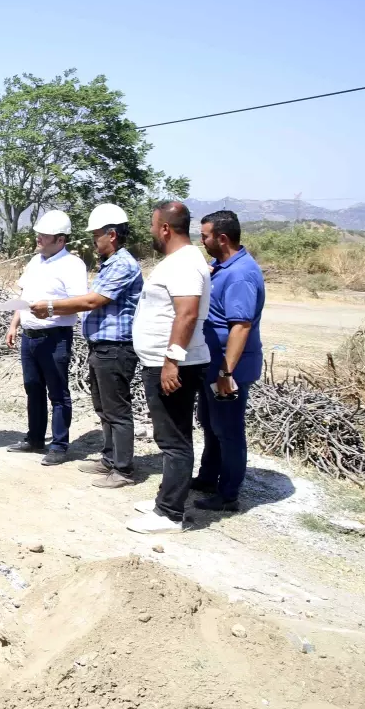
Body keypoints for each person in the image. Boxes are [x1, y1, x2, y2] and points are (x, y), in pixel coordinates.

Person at [24, 204, 143, 486]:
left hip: (117, 347)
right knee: (104, 407)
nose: (93, 239)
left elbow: (92, 301)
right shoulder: (110, 263)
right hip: (101, 346)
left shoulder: (123, 264)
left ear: (111, 235)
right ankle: (109, 459)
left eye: (97, 234)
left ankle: (123, 469)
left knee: (117, 410)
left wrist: (51, 307)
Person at [128, 201, 211, 534]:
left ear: (164, 228)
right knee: (173, 436)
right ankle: (168, 497)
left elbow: (187, 314)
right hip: (164, 361)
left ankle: (169, 514)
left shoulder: (185, 264)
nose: (150, 231)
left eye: (152, 225)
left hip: (174, 365)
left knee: (174, 441)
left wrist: (171, 361)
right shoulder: (178, 262)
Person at [3, 210, 88, 466]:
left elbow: (79, 303)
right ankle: (35, 438)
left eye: (44, 235)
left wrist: (50, 307)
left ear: (60, 240)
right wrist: (13, 325)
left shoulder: (73, 265)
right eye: (39, 233)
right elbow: (24, 297)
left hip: (55, 337)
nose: (38, 238)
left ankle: (60, 445)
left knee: (58, 393)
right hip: (30, 337)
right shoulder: (35, 262)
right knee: (33, 389)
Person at [194, 210, 265, 512]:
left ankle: (228, 494)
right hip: (213, 365)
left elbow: (241, 326)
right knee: (211, 424)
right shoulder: (222, 267)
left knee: (229, 429)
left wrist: (226, 372)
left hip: (228, 369)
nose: (202, 241)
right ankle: (209, 477)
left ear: (222, 238)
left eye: (205, 235)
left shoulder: (240, 274)